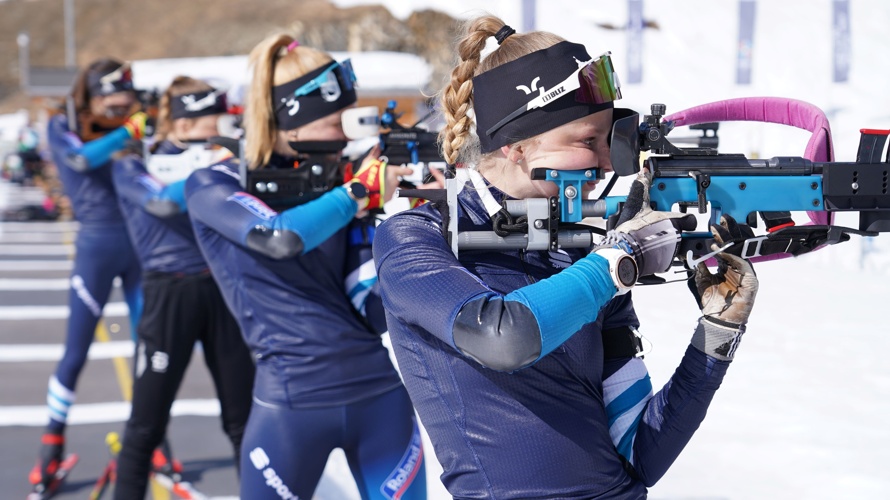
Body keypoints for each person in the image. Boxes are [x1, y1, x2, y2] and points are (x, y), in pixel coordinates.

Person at [373, 16, 760, 499]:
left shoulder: (585, 252)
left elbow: (641, 452)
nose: (606, 163)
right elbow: (504, 337)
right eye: (587, 141)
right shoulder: (415, 236)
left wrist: (716, 335)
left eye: (609, 141)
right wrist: (617, 261)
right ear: (515, 145)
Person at [184, 34, 427, 500]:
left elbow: (373, 308)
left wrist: (413, 220)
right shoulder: (212, 184)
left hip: (380, 397)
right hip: (290, 405)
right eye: (335, 121)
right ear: (288, 120)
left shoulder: (336, 183)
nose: (346, 136)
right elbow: (281, 238)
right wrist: (358, 194)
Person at [110, 76, 255, 499]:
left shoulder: (220, 158)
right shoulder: (132, 162)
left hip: (221, 292)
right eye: (211, 122)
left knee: (243, 422)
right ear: (183, 125)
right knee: (145, 426)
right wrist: (218, 167)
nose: (220, 133)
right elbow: (161, 202)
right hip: (167, 296)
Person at [31, 58, 147, 493]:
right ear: (94, 96)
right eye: (114, 97)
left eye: (128, 99)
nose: (122, 105)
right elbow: (80, 160)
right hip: (96, 248)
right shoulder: (63, 123)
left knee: (147, 350)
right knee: (75, 352)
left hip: (139, 247)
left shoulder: (130, 123)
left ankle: (151, 440)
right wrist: (129, 131)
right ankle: (50, 448)